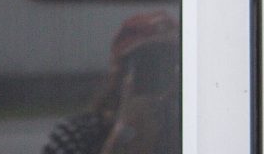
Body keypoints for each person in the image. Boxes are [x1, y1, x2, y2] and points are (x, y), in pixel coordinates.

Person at [42, 12, 180, 154]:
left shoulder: (189, 131)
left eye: (170, 64)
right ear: (120, 73)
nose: (158, 76)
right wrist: (124, 134)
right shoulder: (78, 133)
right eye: (145, 65)